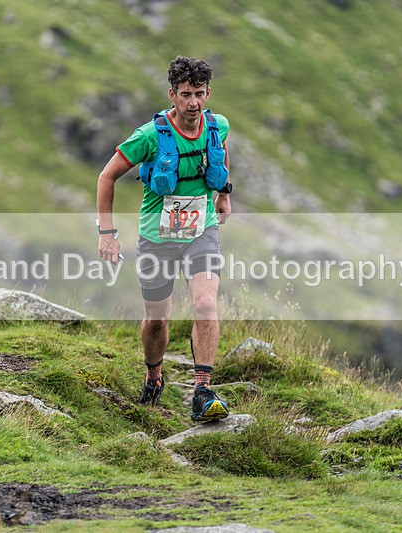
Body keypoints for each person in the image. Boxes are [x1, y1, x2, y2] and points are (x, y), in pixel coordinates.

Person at [96, 56, 233, 422]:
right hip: (156, 239)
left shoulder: (217, 126)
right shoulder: (148, 137)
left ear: (208, 93)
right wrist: (107, 233)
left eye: (200, 94)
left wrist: (223, 194)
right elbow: (106, 177)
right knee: (157, 321)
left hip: (201, 233)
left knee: (205, 304)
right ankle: (154, 375)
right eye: (186, 94)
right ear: (172, 95)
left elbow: (220, 156)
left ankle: (202, 391)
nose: (193, 103)